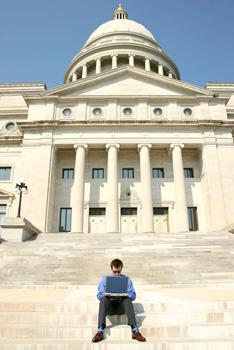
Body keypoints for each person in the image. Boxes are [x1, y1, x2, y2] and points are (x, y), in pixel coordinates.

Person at [92, 258, 146, 342]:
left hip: (121, 306)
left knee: (128, 300)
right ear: (111, 269)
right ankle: (100, 331)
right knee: (103, 300)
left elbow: (133, 296)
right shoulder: (104, 279)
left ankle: (135, 330)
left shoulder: (126, 280)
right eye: (114, 272)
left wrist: (124, 294)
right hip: (109, 306)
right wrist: (107, 294)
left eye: (119, 272)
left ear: (121, 269)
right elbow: (99, 296)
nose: (117, 274)